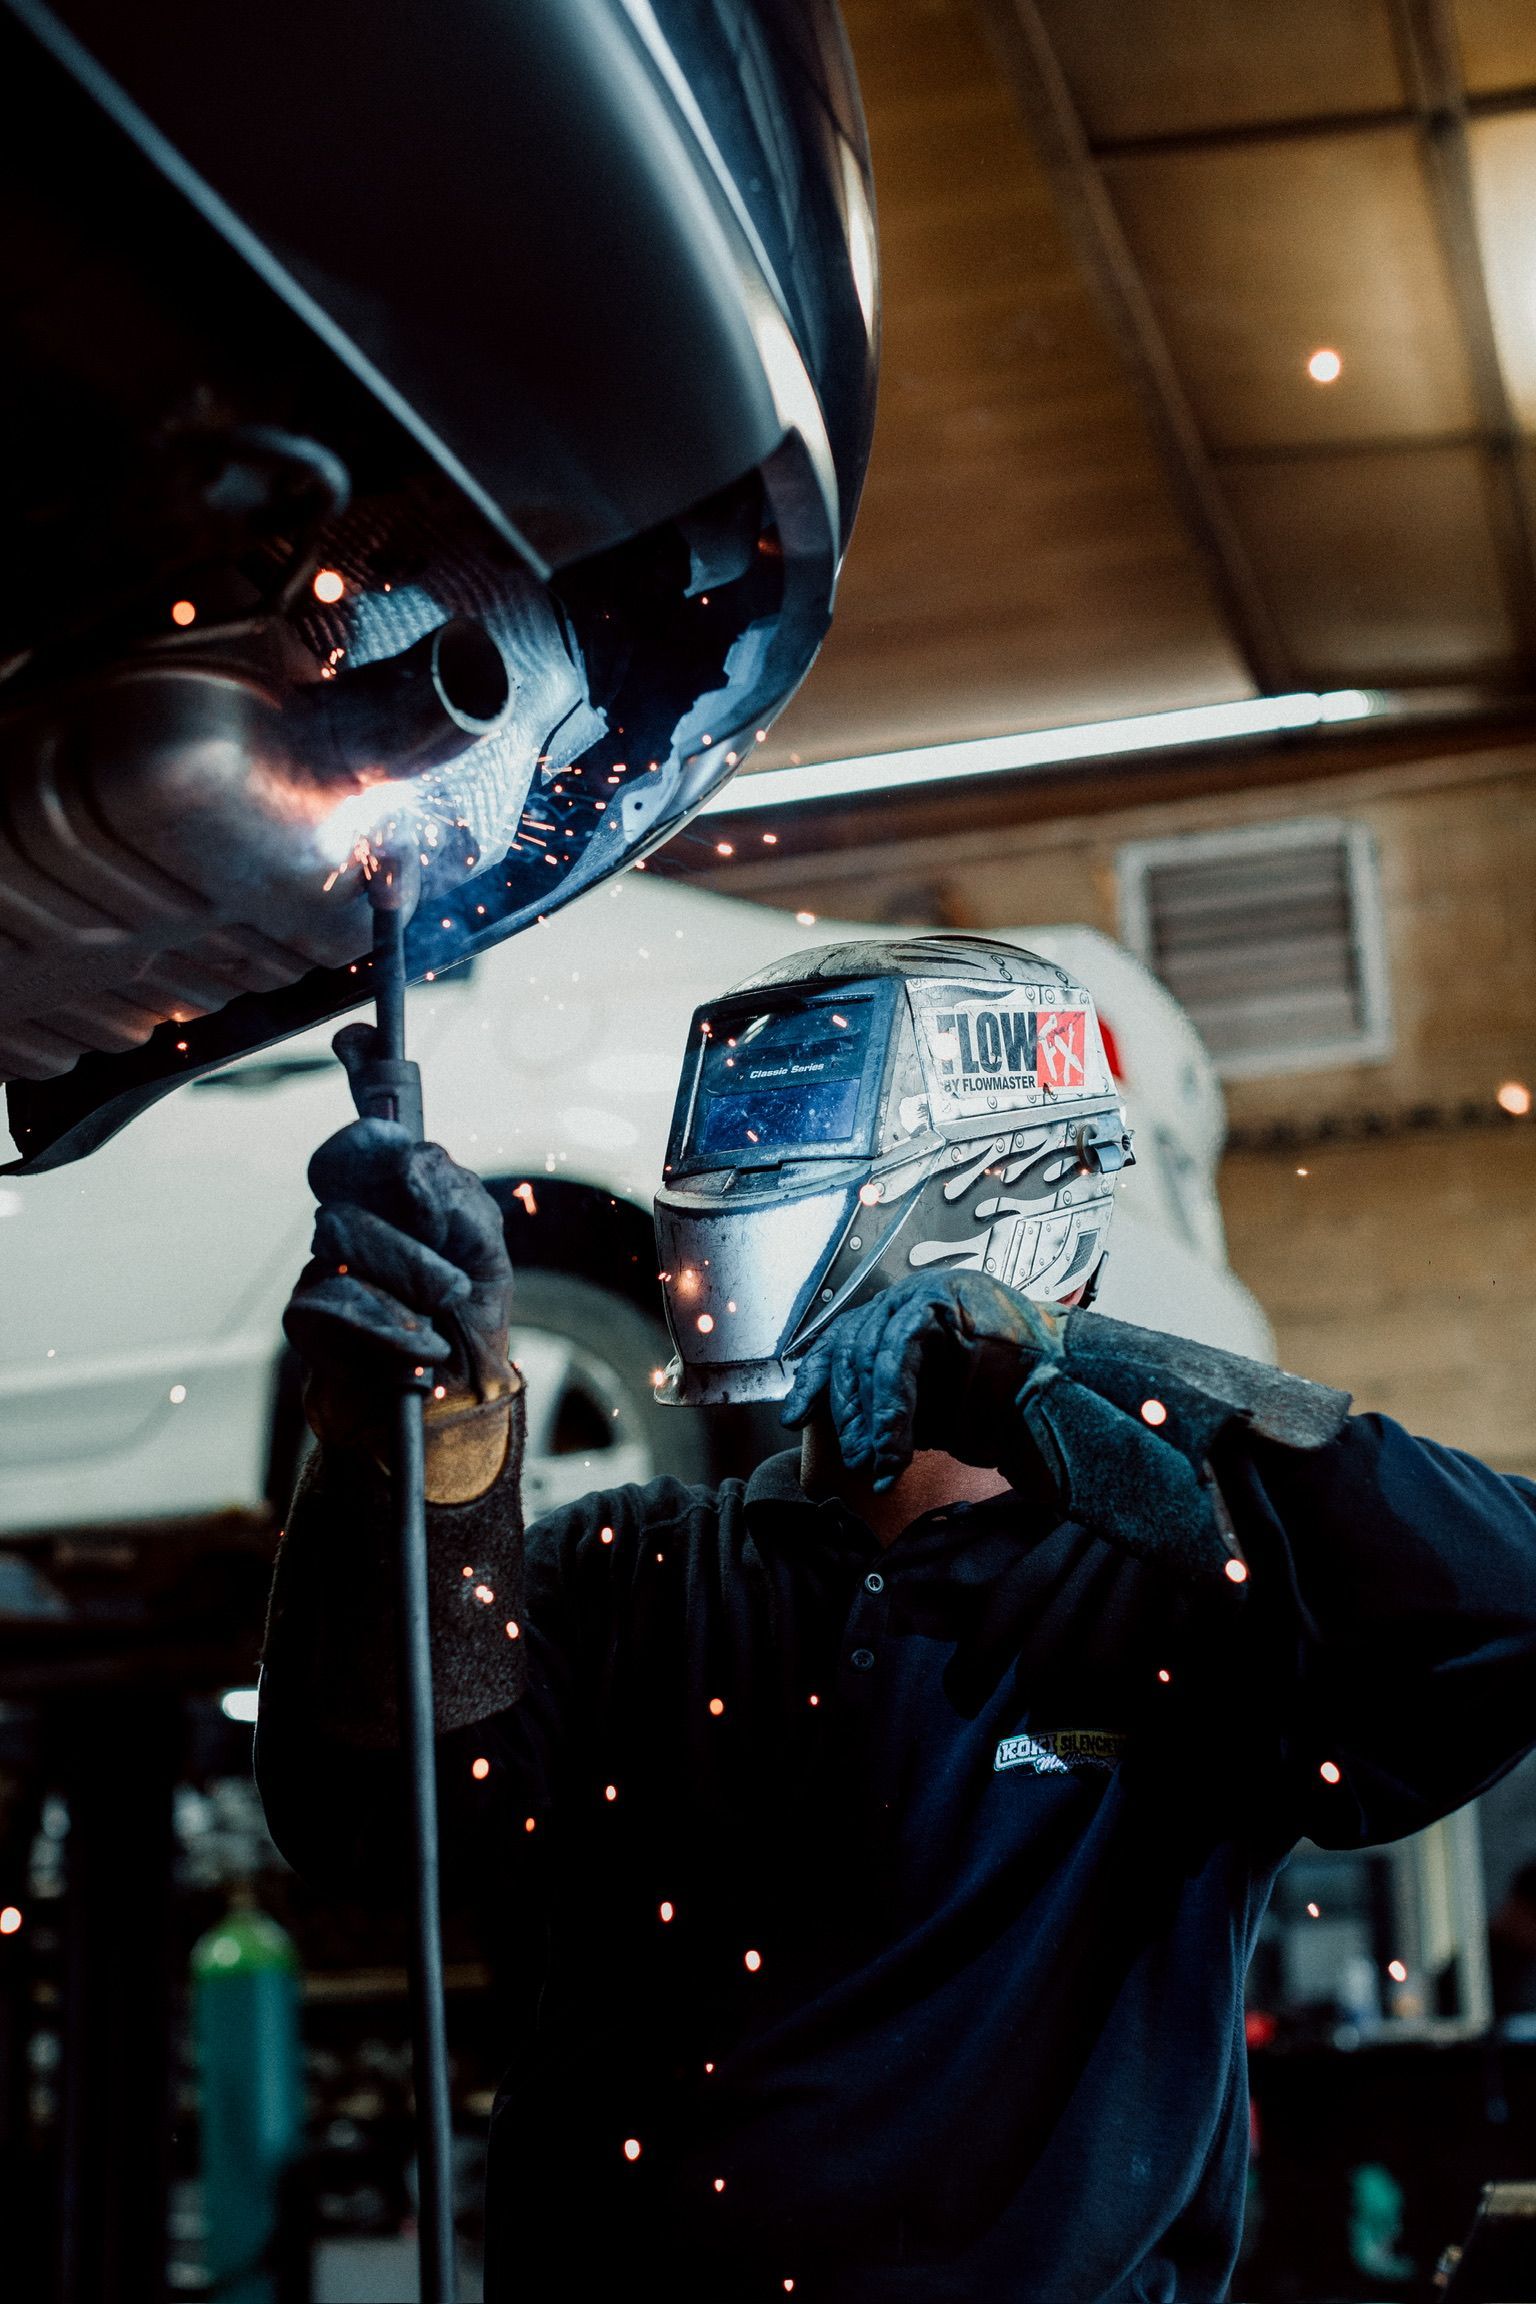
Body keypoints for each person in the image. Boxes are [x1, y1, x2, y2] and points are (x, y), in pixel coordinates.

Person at [256, 934, 1536, 2303]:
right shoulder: (628, 1570)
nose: (735, 1169)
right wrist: (414, 1469)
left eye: (793, 1116)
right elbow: (372, 1825)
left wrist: (1057, 1372)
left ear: (999, 1182)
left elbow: (1505, 1594)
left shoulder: (1182, 1595)